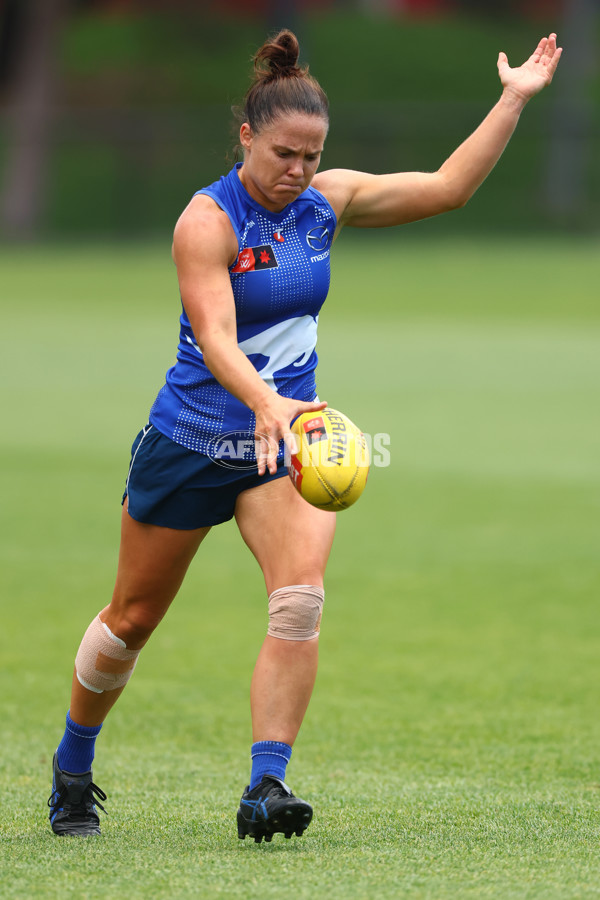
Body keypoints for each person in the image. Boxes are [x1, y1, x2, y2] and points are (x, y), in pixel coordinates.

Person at [47, 28, 562, 842]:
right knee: (134, 617)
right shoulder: (206, 221)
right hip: (193, 438)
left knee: (298, 601)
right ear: (247, 136)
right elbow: (215, 337)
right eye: (285, 153)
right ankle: (73, 766)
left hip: (290, 444)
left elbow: (449, 187)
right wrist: (262, 400)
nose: (299, 171)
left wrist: (513, 98)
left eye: (312, 157)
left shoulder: (326, 204)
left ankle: (266, 786)